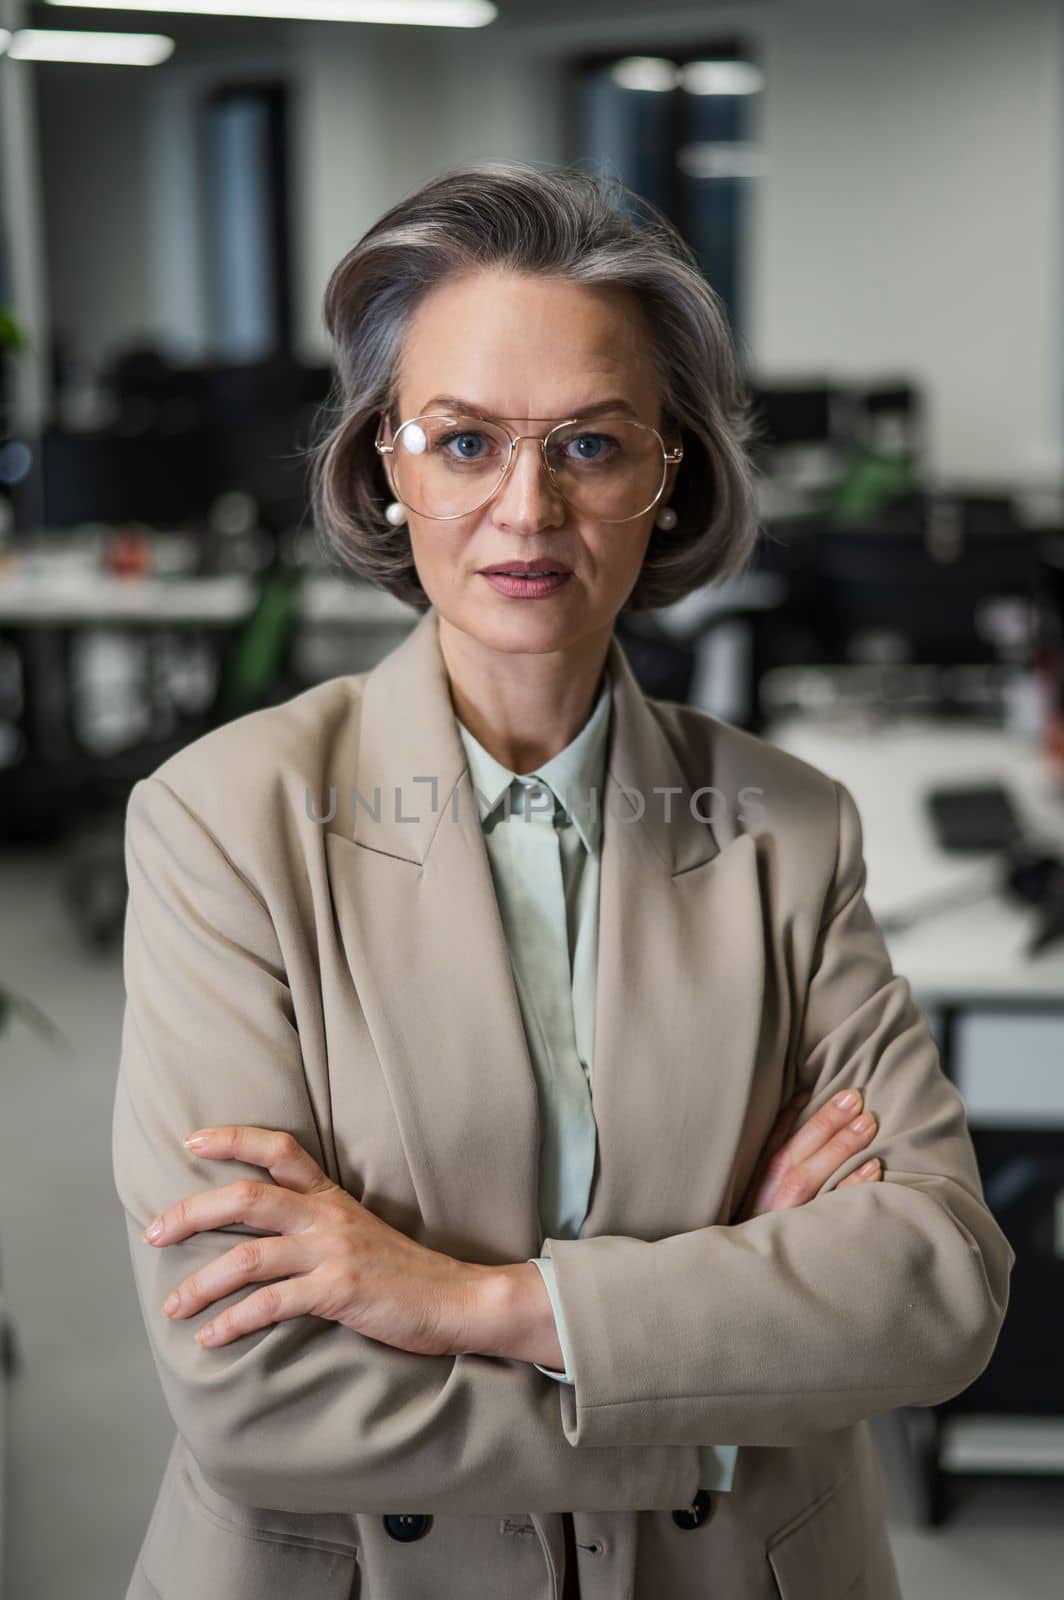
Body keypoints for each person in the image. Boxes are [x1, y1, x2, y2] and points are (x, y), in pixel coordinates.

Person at [113, 162, 1013, 1600]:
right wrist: (715, 1391)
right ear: (382, 465)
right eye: (463, 443)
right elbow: (255, 1394)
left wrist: (468, 1303)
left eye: (591, 446)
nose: (525, 509)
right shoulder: (225, 825)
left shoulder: (789, 828)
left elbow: (938, 1291)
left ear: (670, 476)